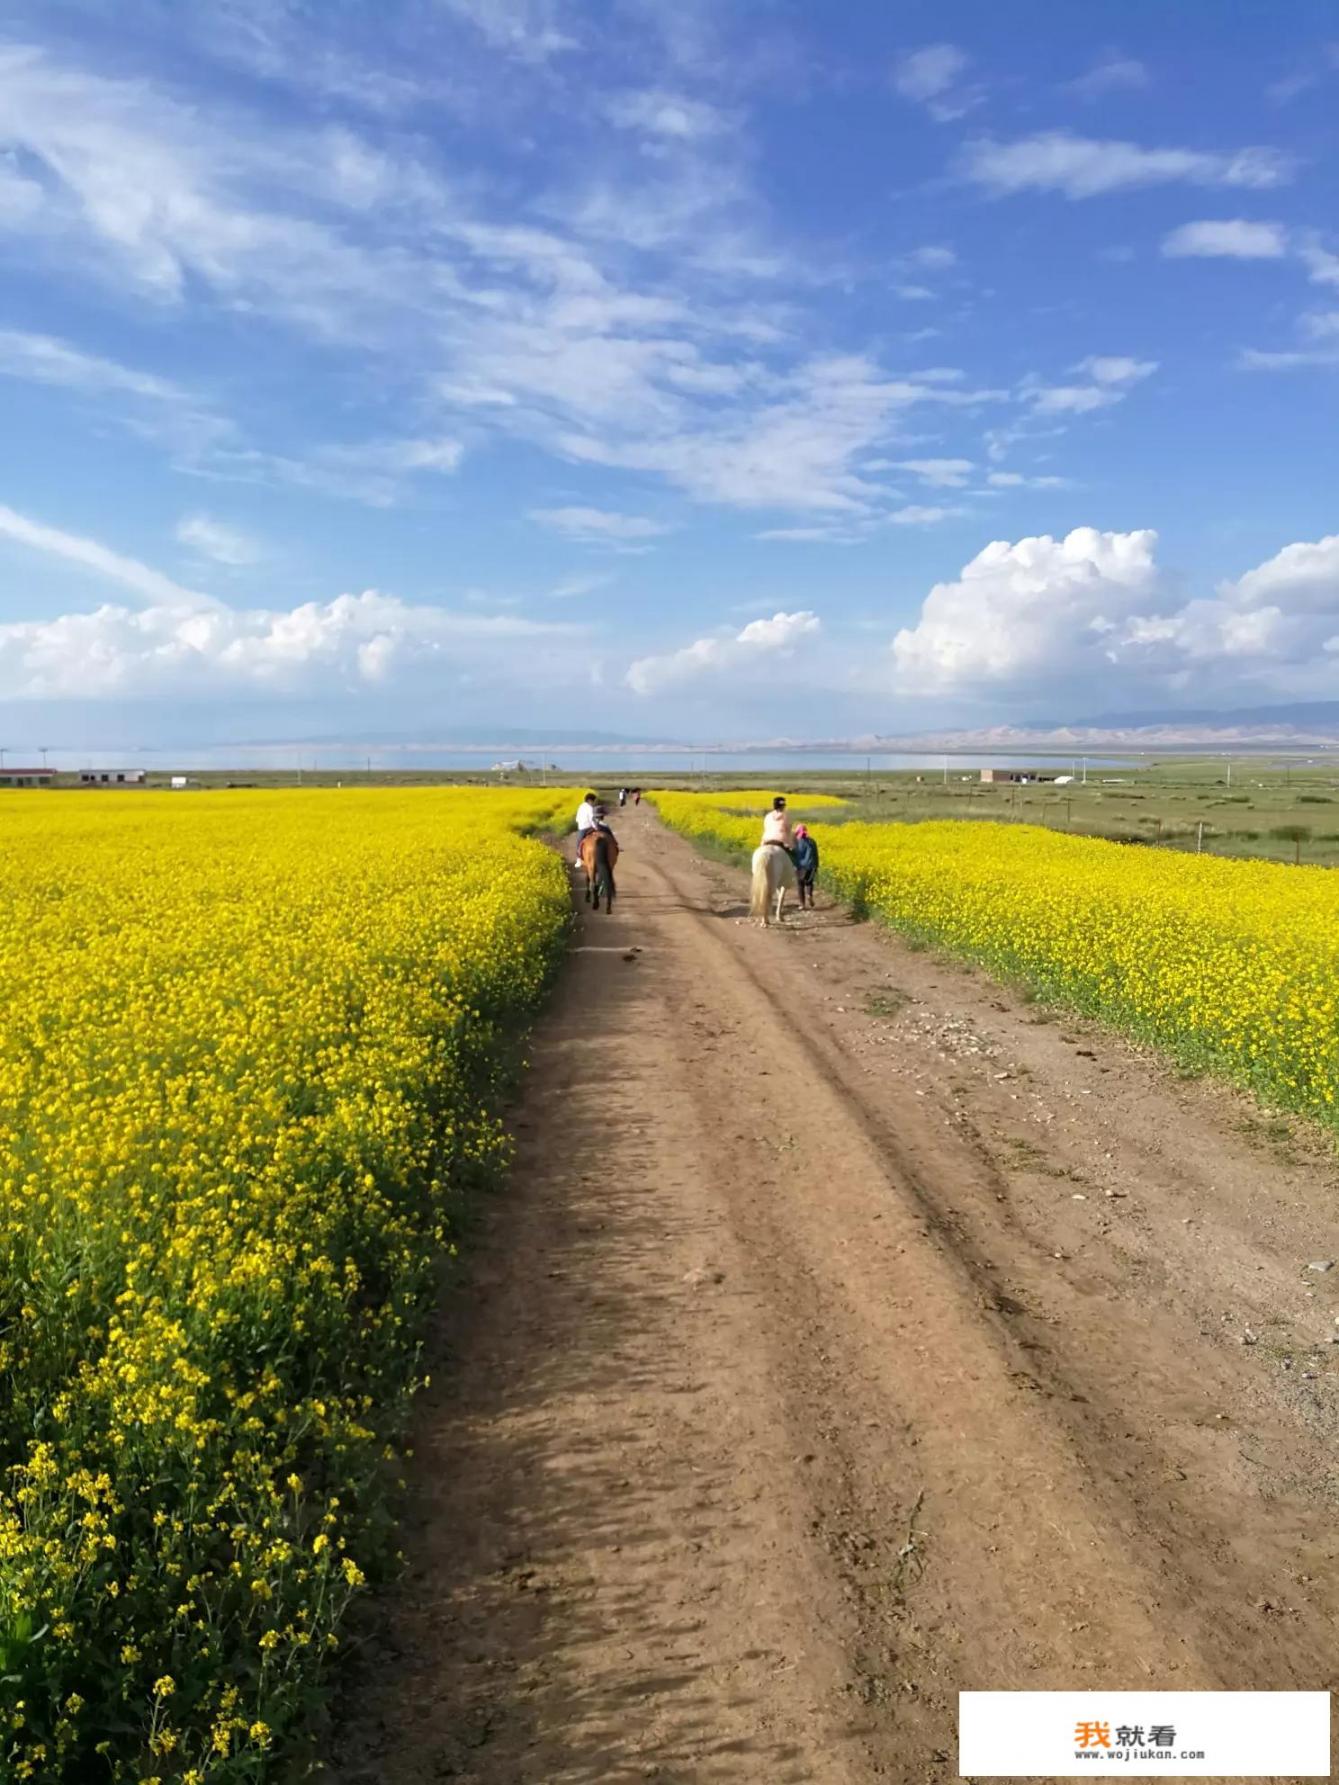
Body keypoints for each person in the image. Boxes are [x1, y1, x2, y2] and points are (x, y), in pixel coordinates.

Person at [793, 823, 819, 908]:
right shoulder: (812, 841)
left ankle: (802, 904)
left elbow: (793, 854)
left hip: (800, 866)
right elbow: (816, 854)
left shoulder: (796, 842)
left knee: (800, 885)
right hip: (811, 866)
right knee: (809, 883)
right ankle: (809, 895)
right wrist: (816, 866)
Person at [574, 791, 598, 865]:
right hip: (588, 827)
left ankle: (578, 859)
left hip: (581, 827)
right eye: (593, 801)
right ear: (590, 800)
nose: (593, 803)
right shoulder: (590, 808)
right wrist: (596, 827)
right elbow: (591, 819)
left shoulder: (581, 806)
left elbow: (577, 819)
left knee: (578, 842)